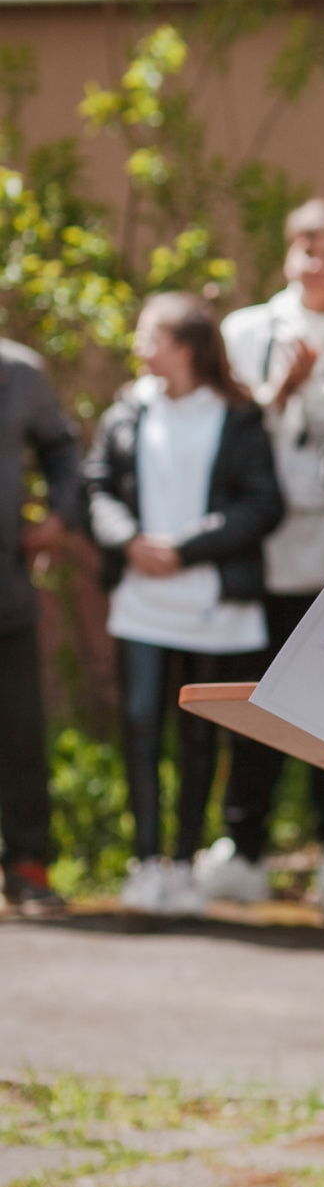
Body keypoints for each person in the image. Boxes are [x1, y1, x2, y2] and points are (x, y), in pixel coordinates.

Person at [86, 293, 284, 916]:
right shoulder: (127, 411)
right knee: (141, 723)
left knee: (200, 737)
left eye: (151, 336)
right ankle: (145, 861)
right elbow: (96, 488)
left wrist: (187, 548)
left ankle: (184, 865)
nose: (139, 347)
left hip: (212, 604)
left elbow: (263, 504)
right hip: (141, 600)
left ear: (188, 349)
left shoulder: (238, 417)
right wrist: (128, 540)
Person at [218, 197, 324, 905]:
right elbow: (227, 425)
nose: (315, 265)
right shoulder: (245, 329)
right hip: (255, 543)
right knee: (252, 694)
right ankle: (242, 844)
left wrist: (307, 394)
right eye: (305, 249)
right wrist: (275, 392)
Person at [1, 339, 88, 913]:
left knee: (19, 730)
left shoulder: (19, 373)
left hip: (5, 592)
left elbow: (61, 449)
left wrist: (58, 515)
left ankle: (28, 864)